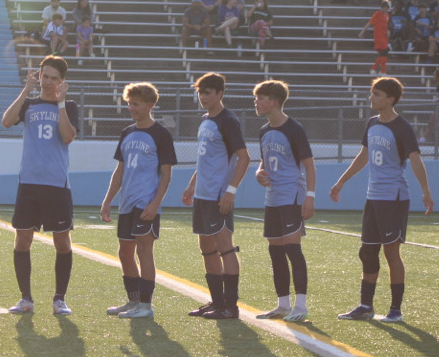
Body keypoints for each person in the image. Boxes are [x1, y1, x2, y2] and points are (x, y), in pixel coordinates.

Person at [330, 77, 434, 322]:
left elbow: (416, 159)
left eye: (376, 94)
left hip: (394, 197)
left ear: (391, 99)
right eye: (371, 93)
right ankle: (366, 306)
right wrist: (342, 180)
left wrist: (426, 191)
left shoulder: (402, 127)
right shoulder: (372, 123)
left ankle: (395, 310)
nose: (371, 98)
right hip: (373, 197)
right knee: (367, 252)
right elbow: (363, 155)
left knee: (391, 253)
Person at [1, 56, 79, 315]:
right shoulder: (30, 104)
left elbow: (67, 136)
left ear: (62, 82)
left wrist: (60, 103)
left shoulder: (68, 106)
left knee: (62, 243)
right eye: (44, 76)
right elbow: (6, 121)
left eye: (53, 78)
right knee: (22, 240)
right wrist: (26, 90)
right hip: (29, 184)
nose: (47, 82)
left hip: (56, 184)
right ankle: (26, 299)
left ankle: (59, 299)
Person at [100, 82, 176, 319]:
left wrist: (155, 203)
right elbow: (119, 170)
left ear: (150, 105)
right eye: (130, 103)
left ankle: (145, 305)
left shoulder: (161, 134)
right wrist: (107, 200)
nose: (132, 108)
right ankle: (132, 301)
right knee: (124, 252)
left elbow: (166, 174)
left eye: (137, 104)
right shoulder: (127, 132)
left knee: (144, 252)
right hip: (127, 203)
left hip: (146, 203)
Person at [181, 73, 250, 319]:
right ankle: (217, 302)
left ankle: (230, 307)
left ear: (220, 94)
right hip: (202, 195)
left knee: (225, 249)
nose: (203, 97)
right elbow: (207, 160)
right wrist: (192, 185)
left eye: (208, 92)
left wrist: (231, 191)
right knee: (206, 248)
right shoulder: (205, 120)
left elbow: (244, 157)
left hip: (218, 196)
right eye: (200, 92)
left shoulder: (228, 121)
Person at [254, 79, 316, 323]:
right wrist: (258, 173)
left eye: (260, 98)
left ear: (274, 101)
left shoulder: (294, 129)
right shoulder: (263, 131)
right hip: (272, 199)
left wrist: (309, 197)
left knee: (293, 249)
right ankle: (282, 304)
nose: (256, 102)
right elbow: (263, 162)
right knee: (275, 251)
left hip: (292, 197)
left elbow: (310, 167)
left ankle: (301, 306)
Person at [360, 0, 392, 76]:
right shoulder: (377, 14)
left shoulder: (387, 15)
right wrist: (362, 32)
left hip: (384, 36)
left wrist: (388, 31)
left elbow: (386, 25)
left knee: (383, 53)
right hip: (378, 36)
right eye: (384, 7)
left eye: (386, 8)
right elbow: (369, 23)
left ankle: (374, 69)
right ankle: (382, 71)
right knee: (384, 52)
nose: (385, 9)